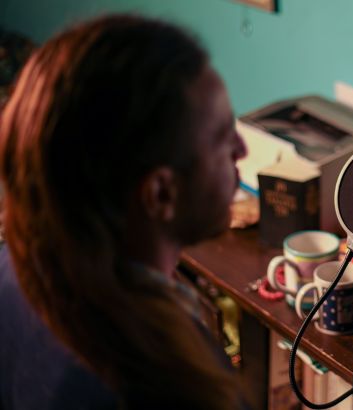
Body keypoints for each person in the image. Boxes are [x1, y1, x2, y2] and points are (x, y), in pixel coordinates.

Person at [0, 15, 247, 409]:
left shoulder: (14, 268)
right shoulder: (158, 383)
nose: (242, 149)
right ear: (160, 194)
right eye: (222, 138)